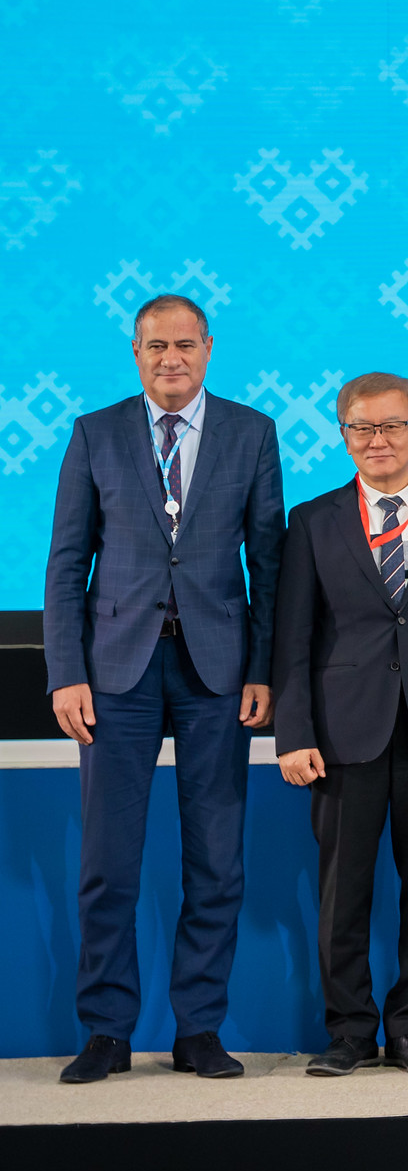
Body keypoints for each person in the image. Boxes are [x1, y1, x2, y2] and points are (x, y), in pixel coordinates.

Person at [45, 294, 285, 1084]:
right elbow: (66, 561)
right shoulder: (95, 432)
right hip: (114, 672)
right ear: (136, 351)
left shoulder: (252, 432)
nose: (171, 358)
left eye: (185, 344)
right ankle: (106, 1030)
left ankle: (199, 1028)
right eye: (156, 345)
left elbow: (268, 563)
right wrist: (66, 671)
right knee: (108, 862)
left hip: (218, 672)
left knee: (216, 860)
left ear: (208, 348)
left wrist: (263, 666)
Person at [271, 373, 408, 1076]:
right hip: (340, 734)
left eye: (392, 426)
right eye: (361, 427)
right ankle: (350, 1032)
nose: (378, 440)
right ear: (343, 436)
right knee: (344, 892)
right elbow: (292, 635)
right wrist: (294, 732)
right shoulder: (312, 519)